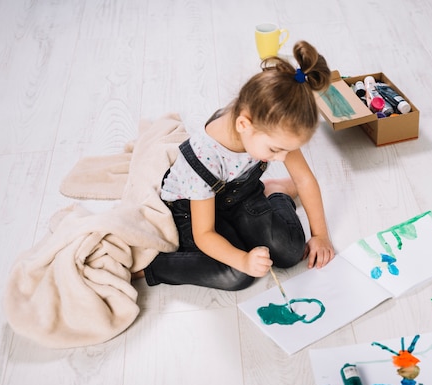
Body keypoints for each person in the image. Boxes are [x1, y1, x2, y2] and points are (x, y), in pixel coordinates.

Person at [140, 40, 335, 291]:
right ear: (244, 125)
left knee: (290, 252)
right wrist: (243, 259)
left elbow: (304, 179)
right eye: (275, 150)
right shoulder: (204, 157)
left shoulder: (275, 123)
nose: (282, 158)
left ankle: (276, 192)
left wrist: (320, 235)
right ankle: (155, 267)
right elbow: (205, 235)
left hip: (241, 197)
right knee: (237, 275)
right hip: (195, 214)